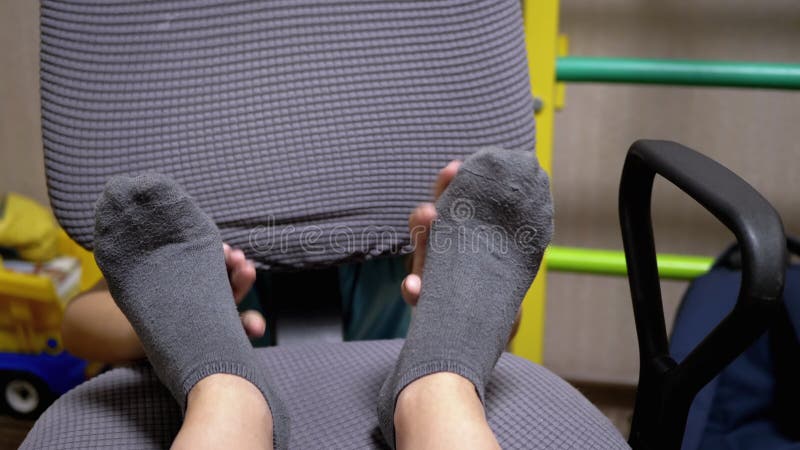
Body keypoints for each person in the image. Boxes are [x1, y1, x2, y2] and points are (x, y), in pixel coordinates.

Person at [62, 148, 559, 449]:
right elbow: (78, 324)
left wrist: (449, 302)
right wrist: (184, 325)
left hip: (402, 337)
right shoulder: (207, 244)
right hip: (227, 331)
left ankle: (435, 383)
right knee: (223, 403)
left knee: (447, 393)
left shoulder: (392, 242)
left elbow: (504, 324)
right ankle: (230, 390)